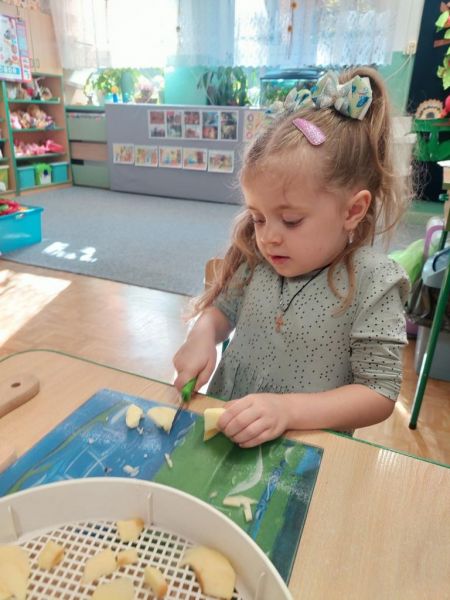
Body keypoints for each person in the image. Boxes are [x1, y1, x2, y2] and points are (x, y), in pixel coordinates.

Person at [173, 67, 411, 448]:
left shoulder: (375, 282)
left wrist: (287, 410)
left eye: (291, 220)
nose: (268, 237)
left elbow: (378, 393)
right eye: (258, 217)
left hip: (300, 451)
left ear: (352, 210)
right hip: (226, 429)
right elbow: (222, 312)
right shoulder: (257, 258)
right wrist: (201, 335)